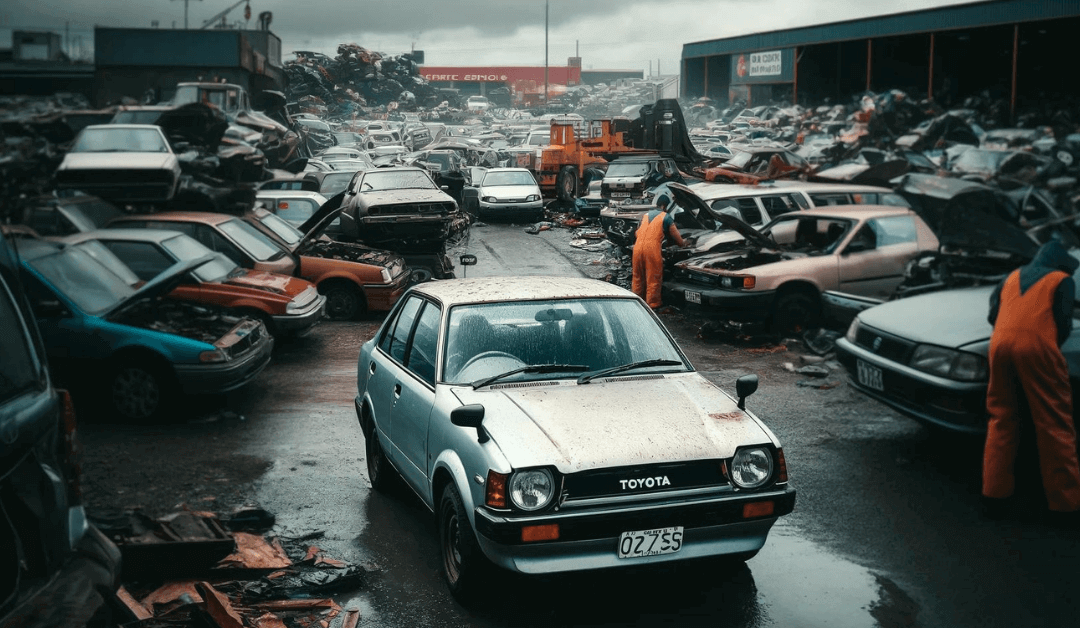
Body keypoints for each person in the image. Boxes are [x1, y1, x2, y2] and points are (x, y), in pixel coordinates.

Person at [982, 239, 1080, 523]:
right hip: (1037, 348)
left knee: (1001, 417)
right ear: (1061, 266)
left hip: (998, 346)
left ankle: (994, 496)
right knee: (1054, 423)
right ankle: (1065, 504)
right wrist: (1044, 345)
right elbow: (1063, 324)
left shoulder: (1010, 276)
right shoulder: (1061, 280)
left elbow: (993, 315)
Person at [631, 194, 684, 309]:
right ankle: (653, 305)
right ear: (665, 206)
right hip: (652, 250)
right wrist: (684, 243)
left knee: (637, 277)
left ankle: (635, 303)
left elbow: (637, 233)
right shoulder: (666, 217)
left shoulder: (645, 215)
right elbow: (678, 238)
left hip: (637, 248)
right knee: (653, 278)